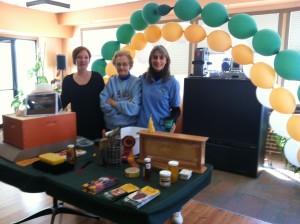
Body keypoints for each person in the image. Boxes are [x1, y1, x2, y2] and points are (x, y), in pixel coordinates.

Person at [137, 45, 182, 224]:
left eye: (161, 57)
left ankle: (176, 209)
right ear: (150, 60)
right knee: (145, 171)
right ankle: (144, 204)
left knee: (166, 172)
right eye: (154, 57)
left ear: (166, 60)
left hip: (162, 132)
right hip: (142, 131)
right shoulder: (142, 80)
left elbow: (176, 109)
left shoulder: (172, 82)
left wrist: (171, 123)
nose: (157, 60)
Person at [61, 46, 105, 141]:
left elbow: (104, 101)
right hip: (78, 126)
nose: (83, 60)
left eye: (86, 57)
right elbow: (62, 103)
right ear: (74, 60)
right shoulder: (67, 81)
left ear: (89, 60)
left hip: (97, 125)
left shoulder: (97, 78)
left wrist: (105, 126)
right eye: (79, 57)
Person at [100, 50, 141, 130]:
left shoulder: (136, 82)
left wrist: (114, 103)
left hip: (131, 129)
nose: (121, 67)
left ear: (130, 65)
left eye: (124, 64)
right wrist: (126, 106)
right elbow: (103, 105)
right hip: (111, 129)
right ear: (115, 66)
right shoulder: (111, 81)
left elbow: (135, 108)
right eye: (118, 64)